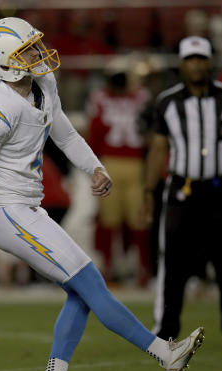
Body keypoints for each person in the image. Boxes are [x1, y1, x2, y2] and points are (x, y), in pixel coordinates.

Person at [0, 17, 204, 371]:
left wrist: (95, 167)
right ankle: (163, 352)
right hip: (5, 211)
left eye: (34, 45)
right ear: (4, 61)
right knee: (90, 281)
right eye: (27, 50)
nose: (37, 53)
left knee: (80, 291)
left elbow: (64, 131)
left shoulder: (42, 85)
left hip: (27, 208)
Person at [143, 36, 222, 349]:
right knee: (173, 266)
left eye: (201, 58)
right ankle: (165, 333)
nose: (196, 64)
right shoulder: (168, 101)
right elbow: (158, 147)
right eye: (190, 59)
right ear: (182, 63)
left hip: (220, 190)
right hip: (181, 191)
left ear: (209, 61)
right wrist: (148, 191)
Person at [86, 69, 151, 285]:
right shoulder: (141, 98)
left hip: (110, 163)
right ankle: (143, 270)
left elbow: (94, 132)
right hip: (135, 164)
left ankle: (108, 269)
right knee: (138, 220)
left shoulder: (102, 99)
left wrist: (92, 166)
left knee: (108, 221)